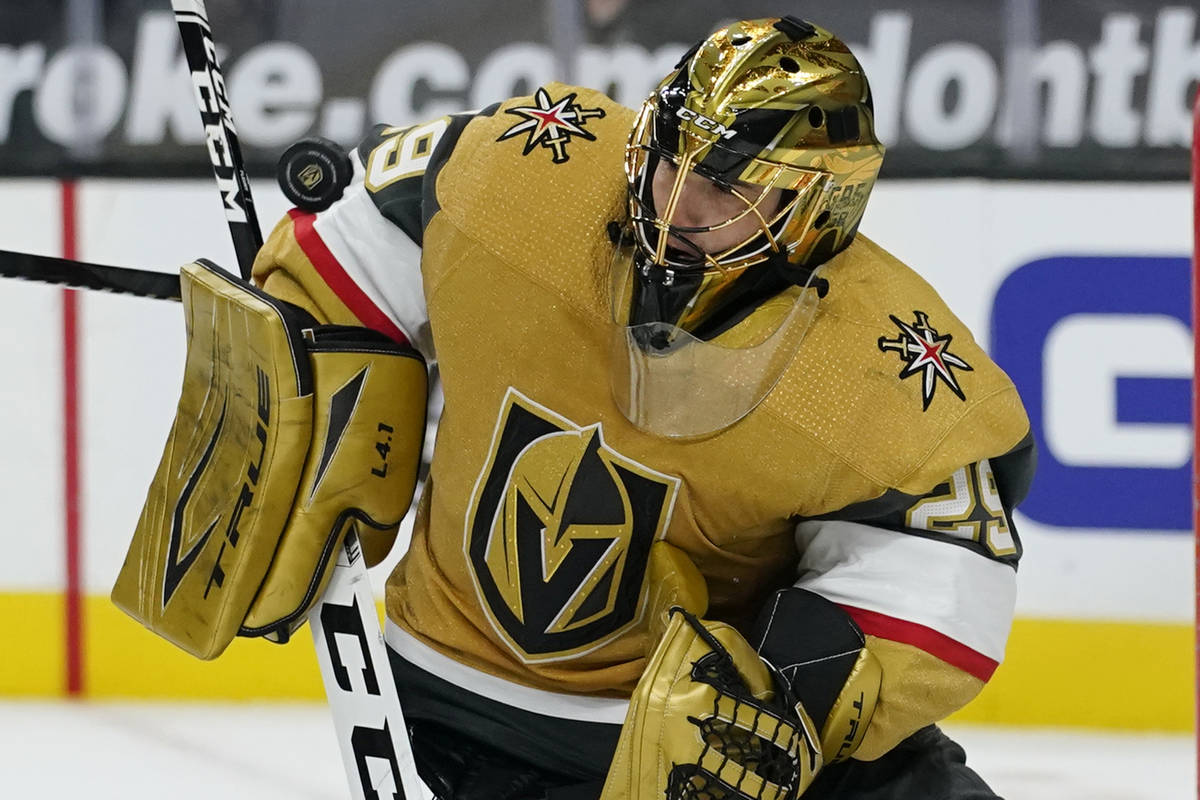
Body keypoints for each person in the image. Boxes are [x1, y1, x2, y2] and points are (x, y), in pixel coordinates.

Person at [249, 15, 1034, 800]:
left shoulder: (880, 362)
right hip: (450, 701)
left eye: (724, 183)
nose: (678, 200)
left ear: (815, 205)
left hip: (684, 754)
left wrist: (783, 700)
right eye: (669, 156)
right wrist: (293, 379)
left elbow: (935, 587)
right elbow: (349, 241)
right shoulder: (528, 177)